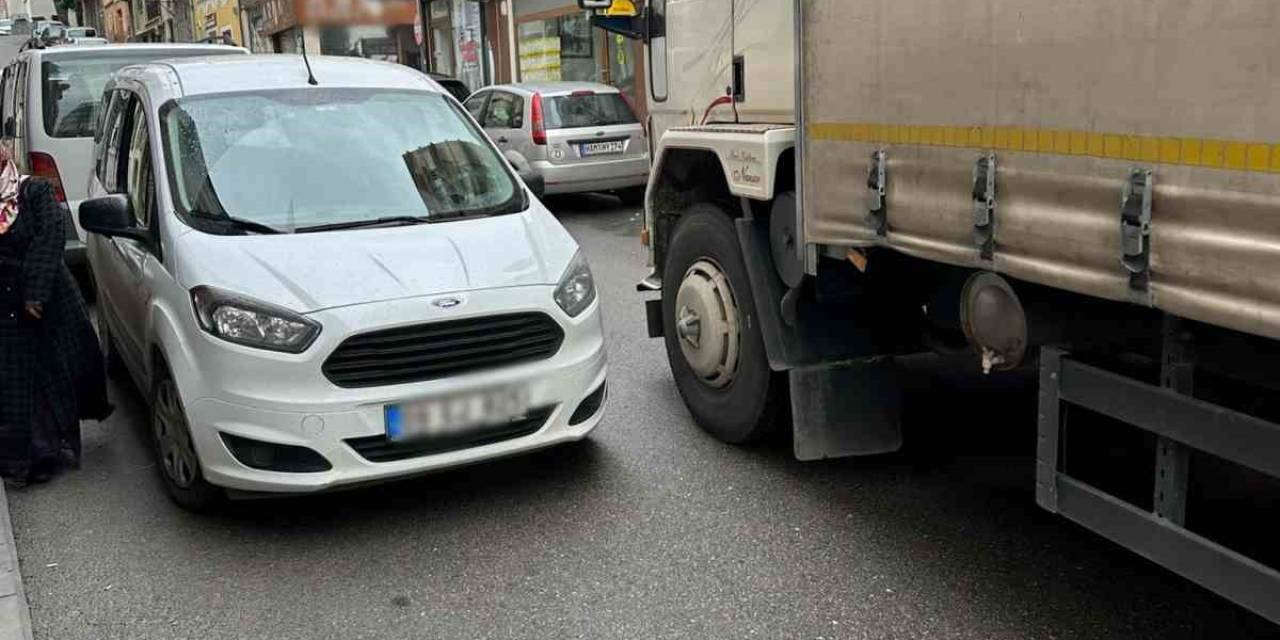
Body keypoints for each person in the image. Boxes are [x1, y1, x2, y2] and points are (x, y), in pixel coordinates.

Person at [0, 150, 110, 485]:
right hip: (4, 308)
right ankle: (20, 454)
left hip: (42, 302)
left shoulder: (33, 191)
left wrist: (35, 292)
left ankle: (45, 450)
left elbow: (50, 238)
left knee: (47, 375)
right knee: (12, 384)